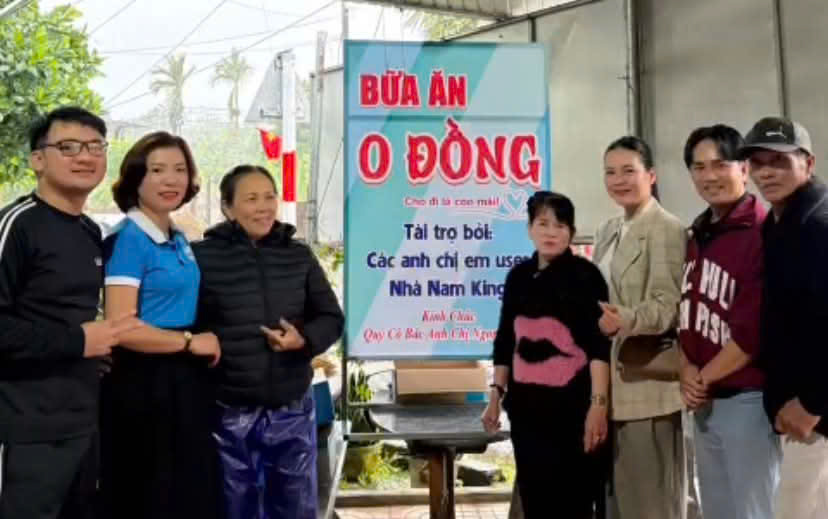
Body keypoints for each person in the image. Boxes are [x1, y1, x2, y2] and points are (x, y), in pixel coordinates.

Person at [0, 107, 140, 519]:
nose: (85, 157)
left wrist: (96, 346)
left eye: (95, 146)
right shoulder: (17, 226)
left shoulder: (89, 232)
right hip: (24, 428)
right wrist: (79, 341)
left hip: (81, 421)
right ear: (37, 160)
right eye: (68, 147)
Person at [192, 165, 344, 519]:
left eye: (269, 197)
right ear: (227, 207)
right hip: (227, 412)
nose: (263, 207)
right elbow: (188, 325)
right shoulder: (201, 257)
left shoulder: (298, 255)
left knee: (294, 507)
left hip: (291, 407)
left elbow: (331, 318)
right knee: (233, 507)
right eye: (251, 198)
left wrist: (303, 340)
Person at [100, 131, 220, 519]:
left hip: (184, 380)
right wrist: (189, 342)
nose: (171, 180)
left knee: (190, 491)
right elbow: (121, 326)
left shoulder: (178, 236)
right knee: (149, 492)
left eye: (180, 170)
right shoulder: (128, 239)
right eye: (157, 170)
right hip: (143, 382)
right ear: (136, 178)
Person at [482, 191, 611, 519]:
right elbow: (505, 340)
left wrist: (598, 406)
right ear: (529, 229)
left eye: (560, 225)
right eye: (543, 223)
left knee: (575, 505)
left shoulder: (586, 276)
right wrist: (495, 395)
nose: (551, 232)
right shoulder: (518, 277)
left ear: (571, 232)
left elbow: (599, 347)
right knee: (535, 502)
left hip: (573, 414)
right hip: (527, 414)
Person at [678, 124, 781, 519]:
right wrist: (686, 369)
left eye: (720, 164)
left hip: (747, 400)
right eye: (699, 167)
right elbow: (687, 314)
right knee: (718, 511)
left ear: (744, 168)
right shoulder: (698, 233)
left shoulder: (761, 231)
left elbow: (753, 331)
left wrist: (700, 378)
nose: (709, 176)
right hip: (706, 402)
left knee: (752, 512)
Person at [592, 136, 685, 519]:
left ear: (651, 175)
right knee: (615, 507)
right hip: (608, 389)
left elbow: (669, 306)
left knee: (651, 507)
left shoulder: (666, 228)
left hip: (647, 387)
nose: (619, 180)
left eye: (629, 171)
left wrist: (626, 319)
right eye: (610, 172)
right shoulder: (608, 229)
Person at [740, 116, 828, 519]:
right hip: (798, 415)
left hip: (816, 418)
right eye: (757, 162)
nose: (765, 173)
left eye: (778, 161)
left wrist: (813, 403)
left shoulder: (818, 226)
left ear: (808, 163)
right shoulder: (781, 223)